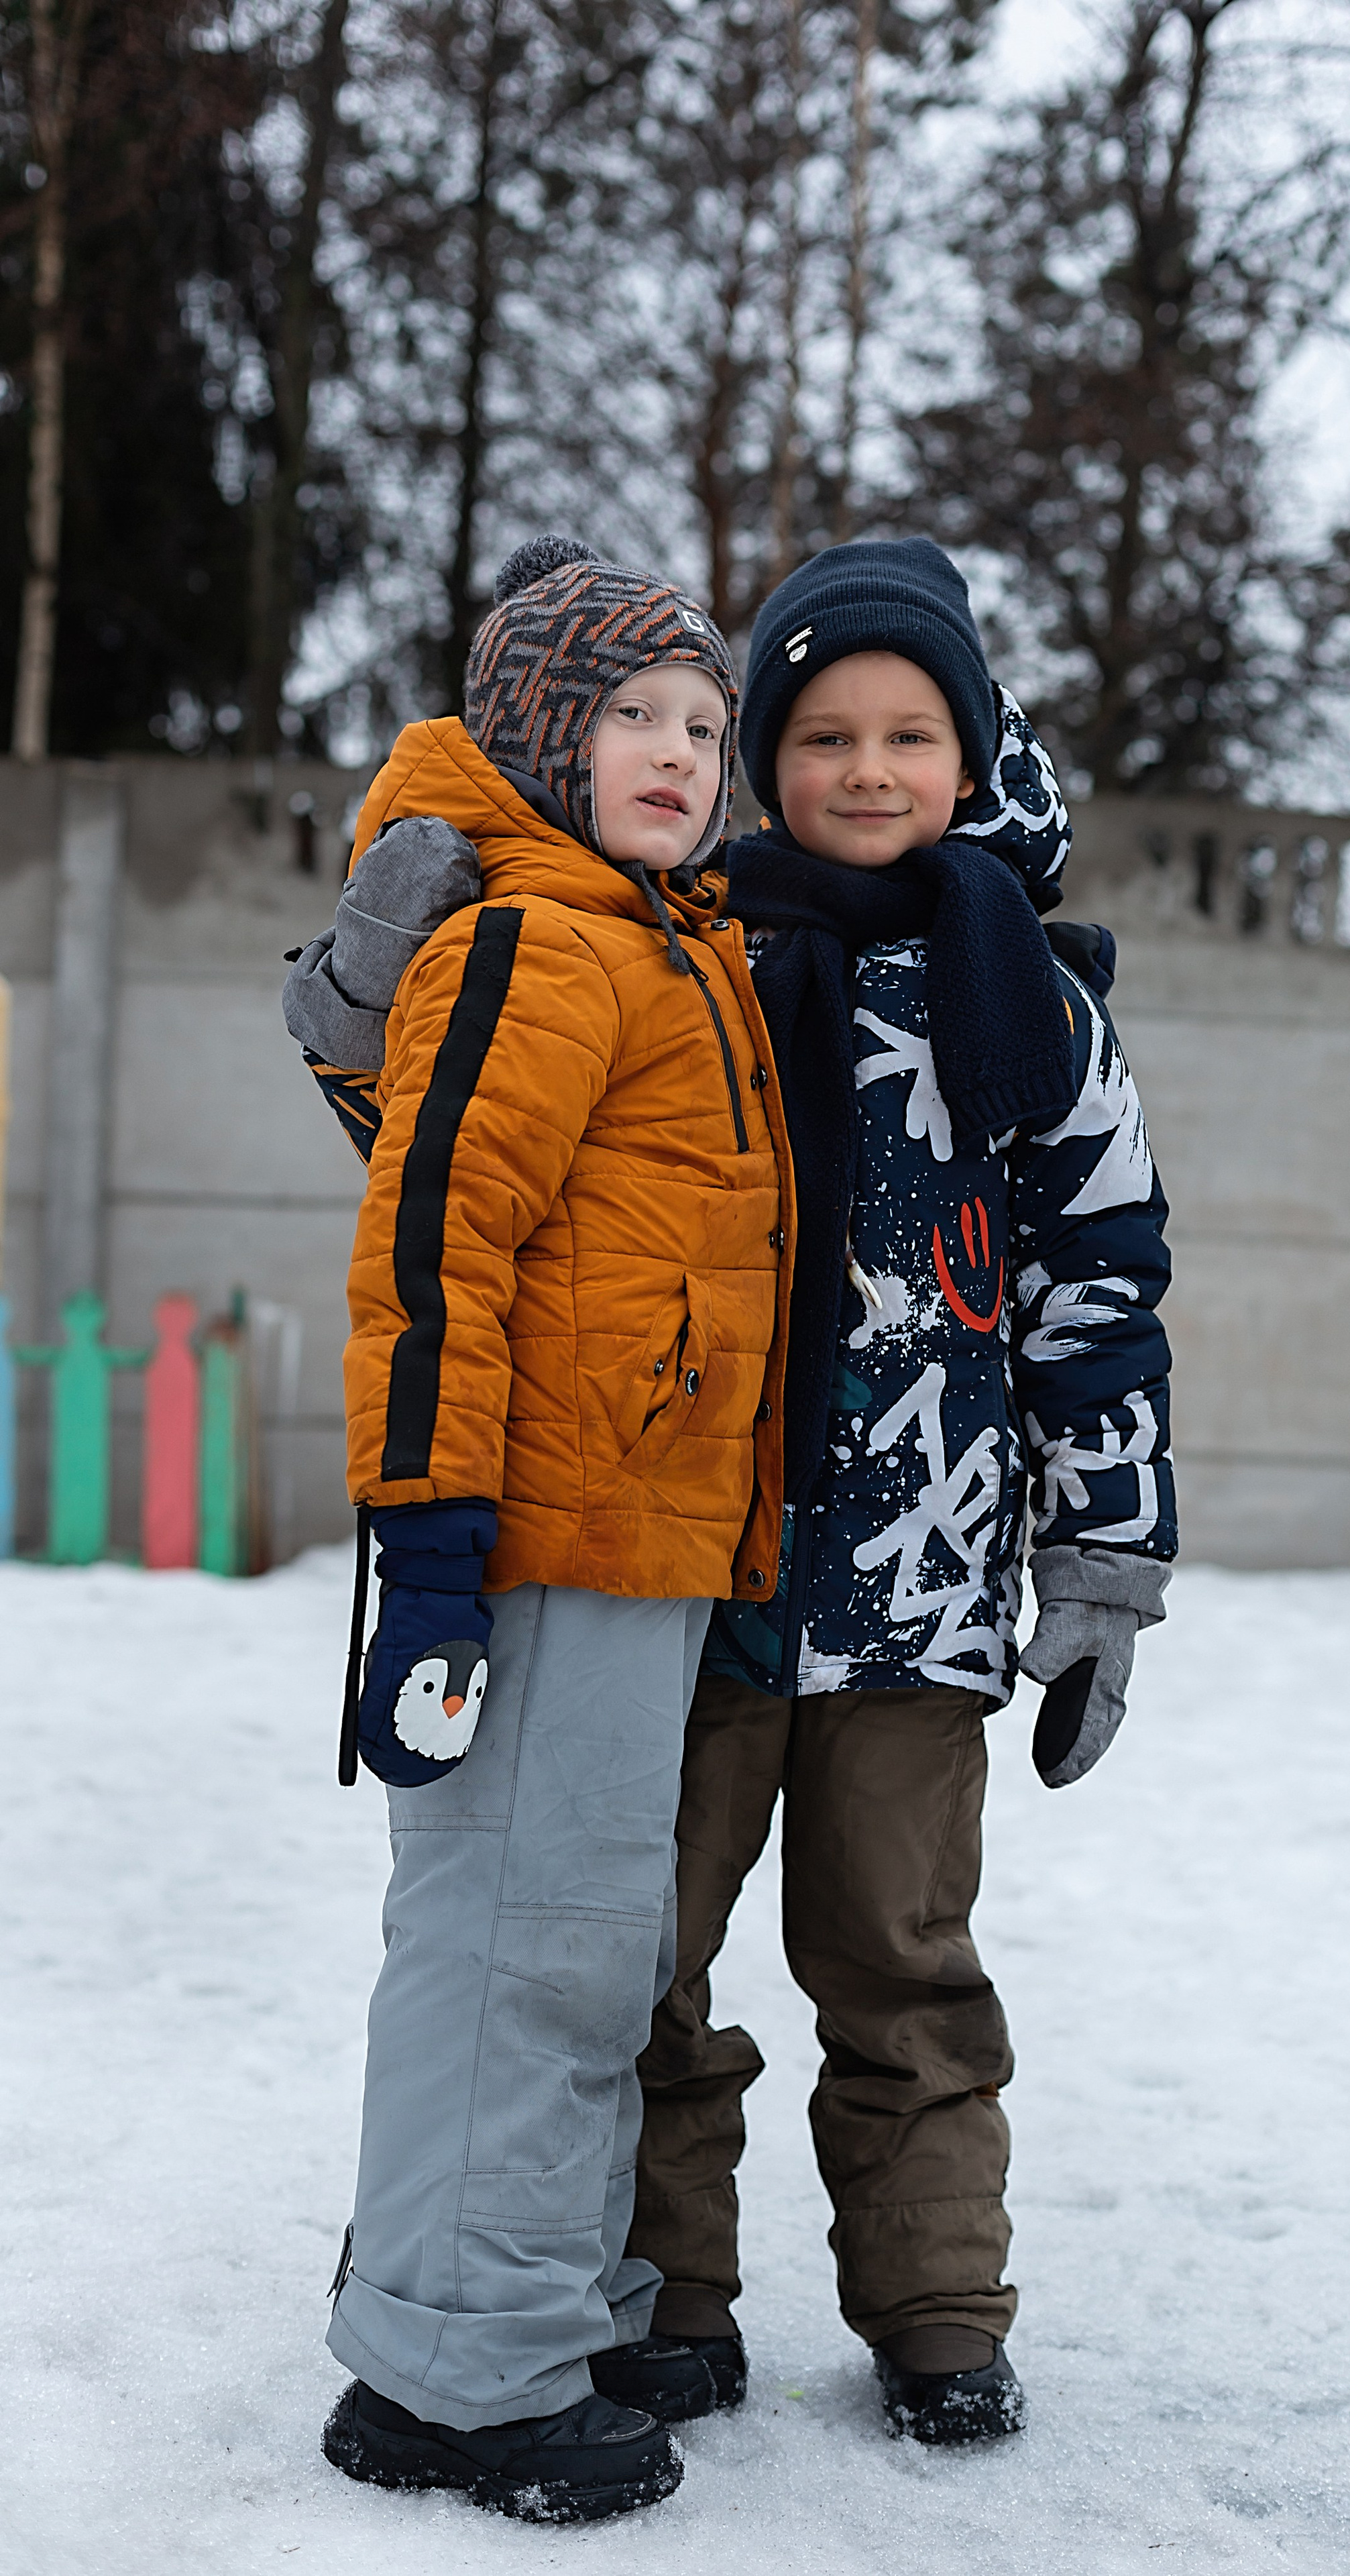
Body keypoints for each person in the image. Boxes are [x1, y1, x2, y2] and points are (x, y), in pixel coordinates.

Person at [626, 537, 1176, 2445]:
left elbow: (1098, 1290)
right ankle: (664, 2289)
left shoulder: (1036, 1007)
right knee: (646, 1957)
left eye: (911, 733)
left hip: (923, 1591)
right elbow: (480, 1126)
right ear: (765, 757)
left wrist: (1104, 1551)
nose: (869, 770)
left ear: (973, 752)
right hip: (686, 1576)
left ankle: (939, 2301)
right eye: (827, 734)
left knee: (903, 1962)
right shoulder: (673, 961)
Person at [287, 535, 793, 2524]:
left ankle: (519, 2296)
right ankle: (448, 2375)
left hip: (643, 1535)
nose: (677, 750)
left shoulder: (669, 940)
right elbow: (432, 1244)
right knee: (516, 1942)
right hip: (530, 1537)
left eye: (701, 722)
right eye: (630, 717)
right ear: (535, 736)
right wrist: (429, 1546)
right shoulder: (538, 944)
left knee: (578, 1947)